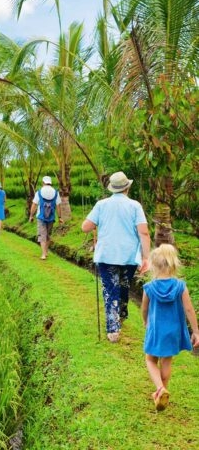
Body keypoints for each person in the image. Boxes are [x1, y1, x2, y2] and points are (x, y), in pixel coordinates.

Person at [82, 171, 151, 343]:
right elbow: (144, 233)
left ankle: (113, 329)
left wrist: (95, 223)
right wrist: (146, 257)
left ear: (112, 189)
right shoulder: (135, 206)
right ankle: (121, 315)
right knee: (123, 285)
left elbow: (85, 227)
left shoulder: (101, 205)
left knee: (110, 289)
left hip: (106, 254)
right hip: (128, 255)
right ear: (127, 187)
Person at [141, 244, 199, 411]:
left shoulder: (149, 288)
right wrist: (195, 331)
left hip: (156, 330)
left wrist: (145, 321)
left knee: (150, 359)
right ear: (173, 264)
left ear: (153, 265)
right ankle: (162, 393)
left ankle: (160, 389)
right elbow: (189, 309)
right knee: (166, 360)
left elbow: (144, 308)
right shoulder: (180, 286)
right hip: (173, 331)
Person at [29, 175, 62, 259]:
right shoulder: (55, 192)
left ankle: (43, 254)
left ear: (43, 182)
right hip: (51, 217)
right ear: (50, 183)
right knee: (48, 235)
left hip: (41, 217)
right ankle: (46, 251)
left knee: (42, 235)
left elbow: (34, 205)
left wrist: (31, 215)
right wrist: (60, 217)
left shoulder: (39, 192)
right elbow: (58, 206)